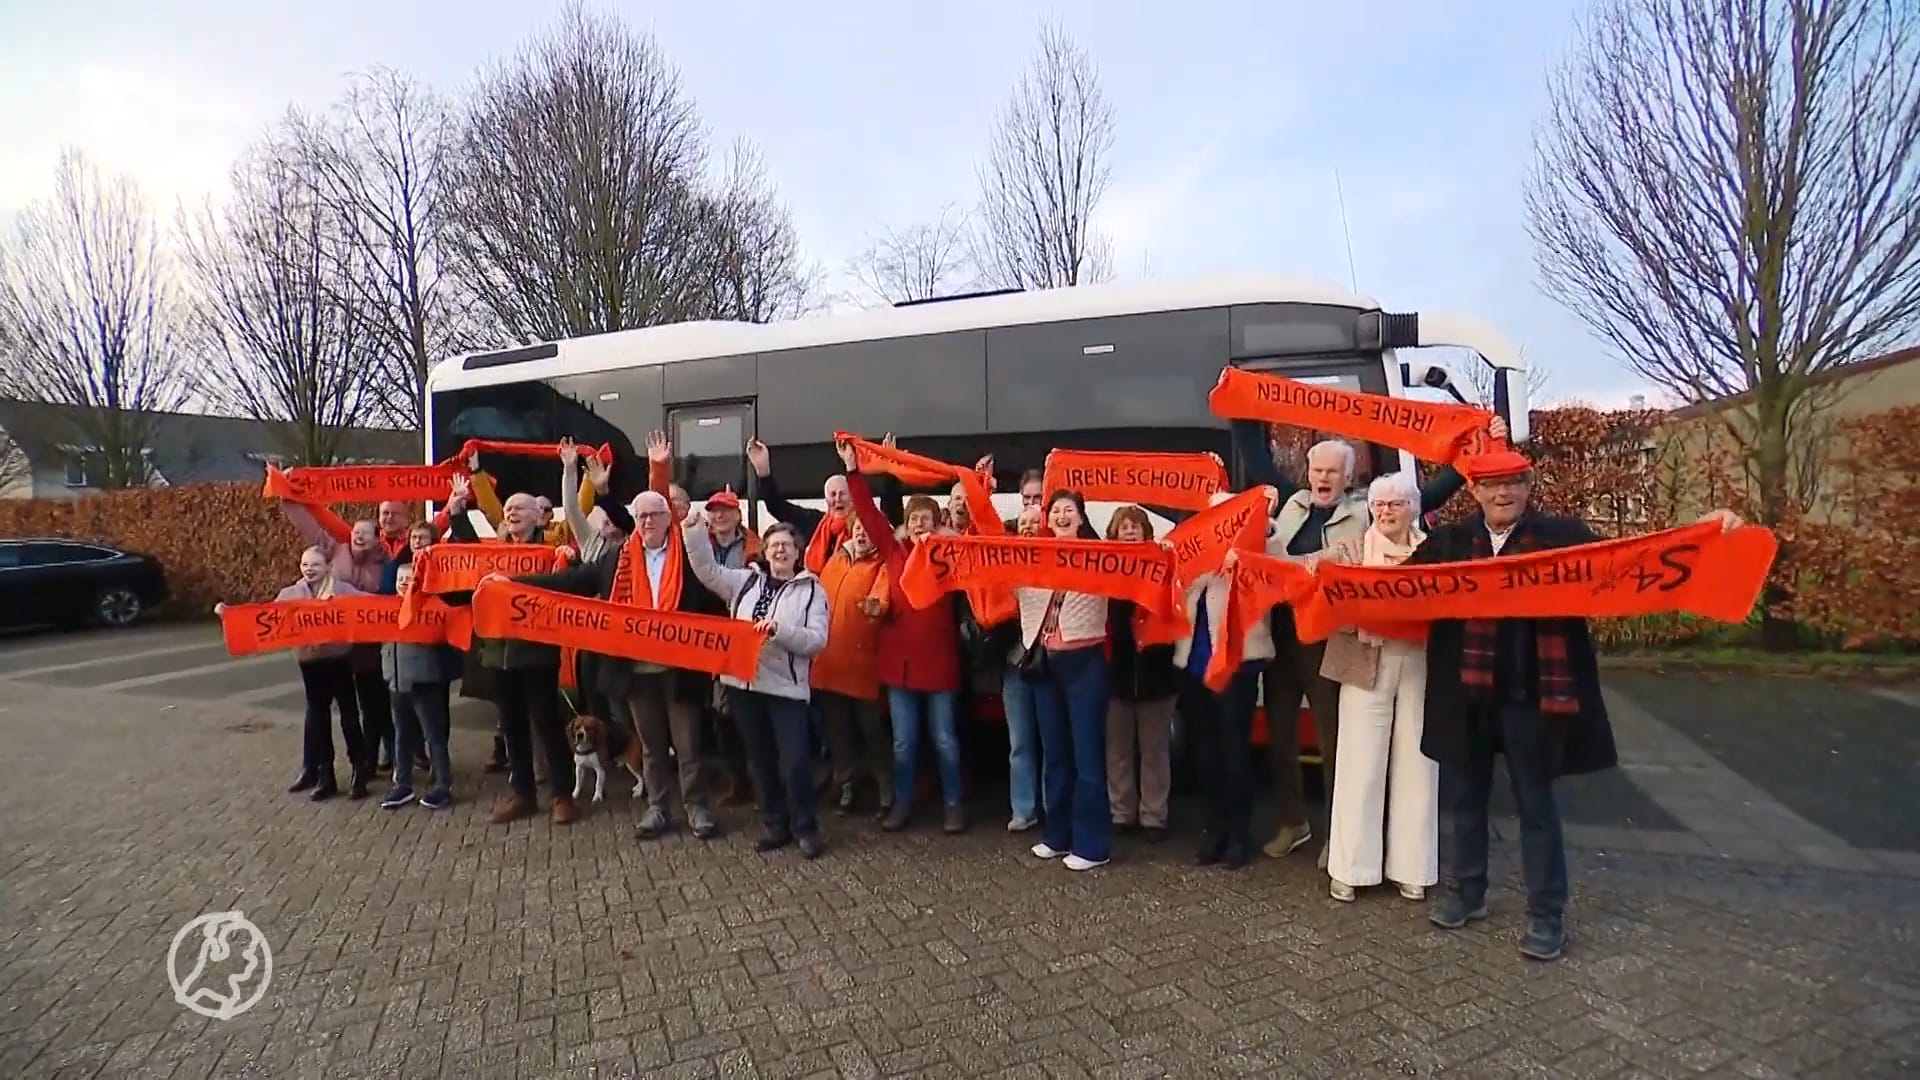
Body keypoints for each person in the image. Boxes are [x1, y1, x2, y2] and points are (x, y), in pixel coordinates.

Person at [1410, 448, 1742, 960]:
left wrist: (1701, 535)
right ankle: (1465, 891)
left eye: (1513, 484)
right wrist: (1333, 571)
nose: (1503, 494)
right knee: (1464, 800)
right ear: (1474, 491)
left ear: (1528, 486)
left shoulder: (1563, 537)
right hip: (1466, 694)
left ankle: (1546, 913)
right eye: (1492, 485)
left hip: (1532, 695)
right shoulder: (1450, 542)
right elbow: (1395, 589)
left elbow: (1631, 561)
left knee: (1536, 806)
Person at [1231, 416, 1499, 868]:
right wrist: (1241, 407)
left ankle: (1341, 834)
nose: (1323, 478)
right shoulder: (1291, 503)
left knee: (1336, 740)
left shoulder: (1367, 510)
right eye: (1317, 470)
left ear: (1350, 477)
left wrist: (1475, 449)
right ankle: (1292, 821)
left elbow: (1430, 495)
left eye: (1333, 471)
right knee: (1279, 738)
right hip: (1282, 637)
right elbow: (1256, 455)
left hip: (1332, 640)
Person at [517, 485, 727, 842]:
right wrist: (514, 584)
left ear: (667, 519)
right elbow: (570, 582)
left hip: (681, 672)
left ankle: (697, 807)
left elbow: (716, 602)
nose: (647, 521)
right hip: (636, 674)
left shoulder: (689, 558)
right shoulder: (617, 558)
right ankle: (658, 807)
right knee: (651, 746)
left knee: (689, 746)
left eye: (654, 515)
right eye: (641, 515)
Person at [682, 511, 831, 857]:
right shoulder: (745, 581)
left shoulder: (812, 591)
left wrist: (780, 631)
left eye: (787, 546)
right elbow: (707, 571)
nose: (780, 551)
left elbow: (817, 641)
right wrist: (692, 531)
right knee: (760, 761)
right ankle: (775, 823)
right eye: (774, 545)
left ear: (798, 552)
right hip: (744, 688)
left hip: (787, 690)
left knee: (794, 762)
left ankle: (805, 828)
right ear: (764, 550)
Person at [841, 440, 969, 834]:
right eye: (913, 519)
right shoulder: (894, 554)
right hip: (900, 669)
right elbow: (866, 512)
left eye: (926, 518)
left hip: (940, 666)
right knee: (903, 744)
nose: (918, 524)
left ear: (937, 523)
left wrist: (981, 488)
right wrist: (853, 471)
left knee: (945, 741)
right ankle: (902, 805)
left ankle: (954, 806)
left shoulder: (952, 558)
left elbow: (983, 535)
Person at [1324, 471, 1436, 903]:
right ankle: (1350, 869)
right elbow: (1307, 567)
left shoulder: (1433, 552)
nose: (1386, 512)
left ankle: (1414, 868)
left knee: (1420, 762)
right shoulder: (1352, 549)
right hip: (1366, 660)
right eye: (1379, 504)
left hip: (1420, 662)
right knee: (1359, 764)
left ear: (1413, 508)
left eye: (1396, 504)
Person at [457, 490, 576, 825]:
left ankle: (562, 796)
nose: (511, 513)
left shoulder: (551, 550)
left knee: (548, 725)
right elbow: (463, 563)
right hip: (498, 655)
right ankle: (523, 794)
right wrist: (455, 516)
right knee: (512, 728)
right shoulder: (492, 552)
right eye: (507, 508)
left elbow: (569, 581)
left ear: (538, 515)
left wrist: (568, 558)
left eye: (519, 508)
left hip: (536, 654)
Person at [1183, 489, 1283, 870]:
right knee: (1205, 753)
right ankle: (1215, 831)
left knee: (1235, 753)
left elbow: (1279, 564)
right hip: (1193, 663)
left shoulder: (1259, 546)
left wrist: (1264, 526)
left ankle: (1240, 835)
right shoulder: (1194, 550)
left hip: (1237, 665)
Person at [221, 546, 367, 801]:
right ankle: (325, 775)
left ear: (328, 567)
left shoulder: (343, 590)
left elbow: (371, 606)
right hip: (309, 662)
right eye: (305, 564)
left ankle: (359, 771)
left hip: (338, 659)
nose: (309, 569)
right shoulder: (290, 594)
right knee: (318, 717)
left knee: (349, 715)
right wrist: (230, 615)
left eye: (315, 565)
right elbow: (263, 616)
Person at [1017, 490, 1113, 871]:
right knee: (1054, 754)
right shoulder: (1031, 556)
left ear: (1080, 518)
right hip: (1044, 663)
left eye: (1067, 510)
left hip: (1084, 662)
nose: (1060, 515)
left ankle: (1093, 845)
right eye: (1054, 510)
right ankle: (1058, 836)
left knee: (1087, 756)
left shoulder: (1100, 557)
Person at [279, 503, 393, 774]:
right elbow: (310, 525)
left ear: (377, 539)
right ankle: (316, 770)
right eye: (356, 531)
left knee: (362, 708)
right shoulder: (334, 551)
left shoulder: (381, 566)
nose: (359, 536)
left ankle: (367, 765)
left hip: (360, 649)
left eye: (366, 533)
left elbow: (376, 601)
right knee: (317, 711)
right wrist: (288, 497)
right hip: (315, 656)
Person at [810, 512, 893, 817]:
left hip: (862, 666)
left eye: (869, 530)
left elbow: (882, 598)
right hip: (829, 662)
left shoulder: (882, 565)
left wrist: (876, 607)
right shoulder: (835, 560)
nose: (862, 534)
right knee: (837, 731)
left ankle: (885, 788)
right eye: (859, 528)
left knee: (871, 730)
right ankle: (846, 785)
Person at [1103, 505, 1178, 843]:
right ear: (1113, 534)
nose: (1130, 531)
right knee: (1117, 749)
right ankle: (1121, 813)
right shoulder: (1103, 574)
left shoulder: (1164, 569)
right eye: (1123, 527)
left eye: (1136, 526)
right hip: (1115, 675)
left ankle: (1154, 817)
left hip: (1157, 675)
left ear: (1147, 533)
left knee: (1155, 750)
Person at [380, 556, 459, 811]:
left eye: (409, 579)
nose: (404, 584)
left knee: (434, 736)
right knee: (402, 736)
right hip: (396, 681)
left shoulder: (432, 607)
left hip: (425, 680)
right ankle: (402, 784)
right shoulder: (384, 610)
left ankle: (442, 785)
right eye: (400, 580)